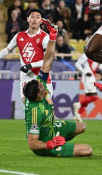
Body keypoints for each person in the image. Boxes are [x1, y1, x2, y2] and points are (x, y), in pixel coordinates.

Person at [23, 18, 92, 157]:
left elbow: (47, 60)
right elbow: (32, 143)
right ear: (38, 95)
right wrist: (50, 144)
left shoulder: (37, 85)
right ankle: (59, 146)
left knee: (82, 126)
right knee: (87, 150)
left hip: (52, 129)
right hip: (45, 145)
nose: (43, 83)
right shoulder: (35, 113)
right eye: (42, 87)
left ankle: (60, 140)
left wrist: (52, 38)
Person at [0, 9, 53, 103]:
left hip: (41, 74)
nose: (34, 19)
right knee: (26, 103)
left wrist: (30, 65)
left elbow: (47, 60)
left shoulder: (45, 37)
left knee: (46, 103)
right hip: (26, 75)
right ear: (27, 19)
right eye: (32, 17)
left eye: (37, 17)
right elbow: (7, 50)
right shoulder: (19, 36)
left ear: (41, 21)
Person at [73, 53, 102, 122]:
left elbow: (99, 64)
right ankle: (78, 104)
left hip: (92, 77)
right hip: (87, 77)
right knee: (94, 96)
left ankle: (77, 115)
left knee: (88, 98)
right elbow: (77, 64)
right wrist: (84, 72)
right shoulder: (86, 55)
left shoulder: (97, 55)